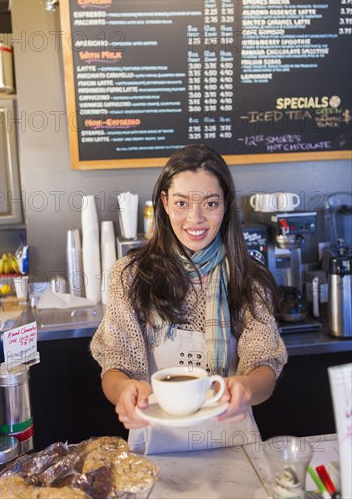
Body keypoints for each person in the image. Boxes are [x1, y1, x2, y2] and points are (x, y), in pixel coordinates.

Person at [90, 145, 287, 454]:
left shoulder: (248, 278)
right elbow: (116, 366)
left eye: (210, 203)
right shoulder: (130, 276)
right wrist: (125, 392)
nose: (195, 219)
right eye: (182, 202)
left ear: (225, 206)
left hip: (234, 446)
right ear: (165, 203)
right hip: (156, 448)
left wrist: (246, 388)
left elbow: (265, 366)